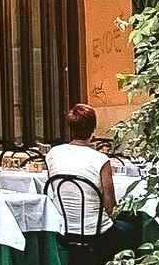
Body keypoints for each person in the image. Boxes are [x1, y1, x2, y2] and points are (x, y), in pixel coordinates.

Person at [44, 103, 140, 257]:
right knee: (132, 228)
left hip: (63, 228)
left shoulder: (53, 154)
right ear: (93, 128)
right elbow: (110, 206)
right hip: (95, 231)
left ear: (71, 127)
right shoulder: (100, 159)